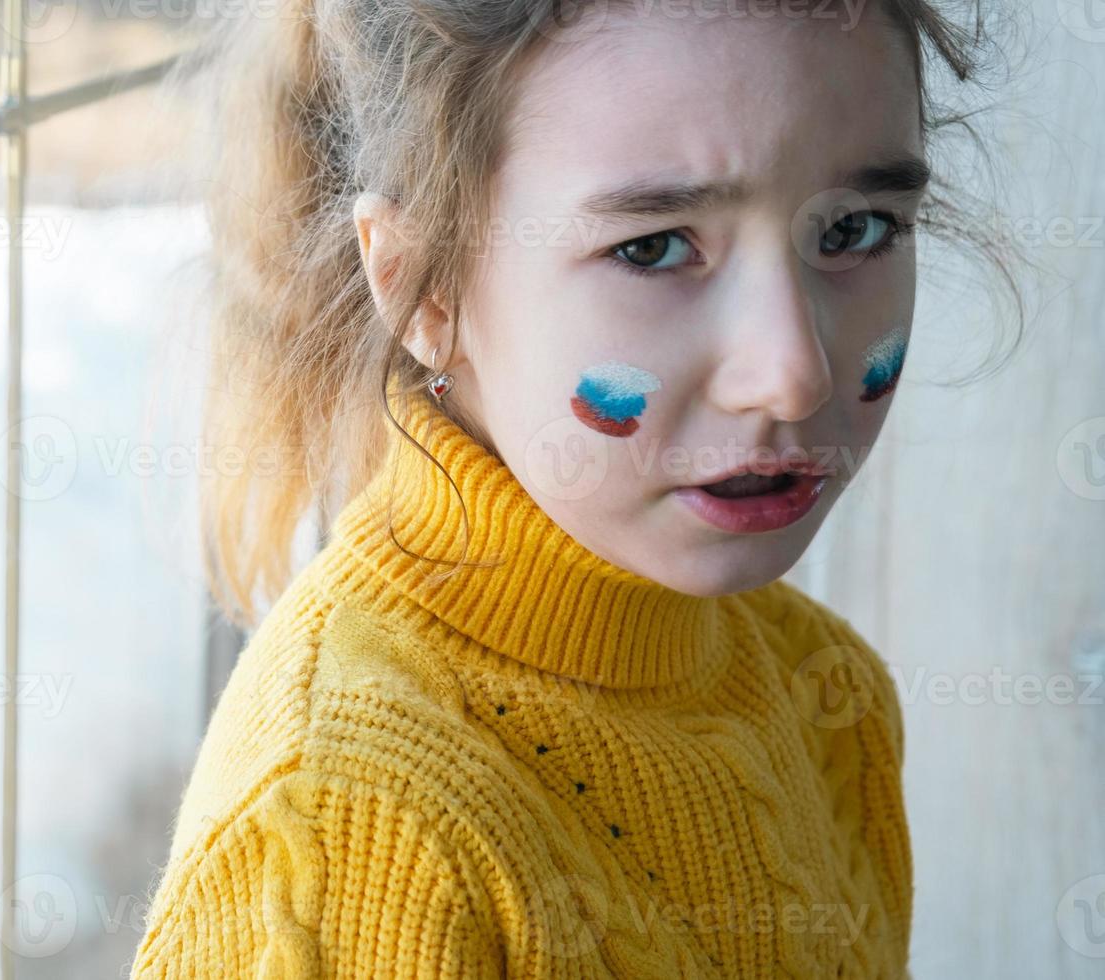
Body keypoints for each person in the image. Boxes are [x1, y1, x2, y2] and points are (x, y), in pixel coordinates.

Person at [132, 0, 1006, 975]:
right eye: (654, 246)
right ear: (421, 288)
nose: (791, 371)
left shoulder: (823, 690)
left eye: (855, 227)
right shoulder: (350, 834)